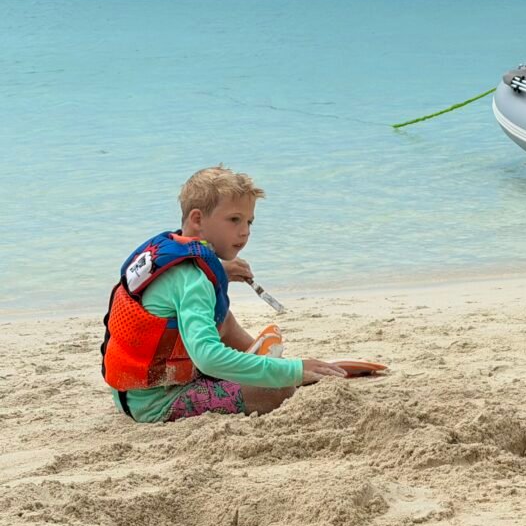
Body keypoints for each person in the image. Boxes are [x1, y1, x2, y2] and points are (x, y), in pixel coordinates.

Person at [100, 165, 347, 422]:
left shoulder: (174, 252)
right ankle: (278, 368)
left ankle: (263, 364)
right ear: (197, 220)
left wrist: (221, 271)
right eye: (234, 220)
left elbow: (172, 287)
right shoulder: (194, 281)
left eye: (249, 221)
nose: (245, 231)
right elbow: (207, 358)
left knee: (223, 319)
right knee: (277, 391)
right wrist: (293, 371)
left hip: (129, 392)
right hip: (158, 401)